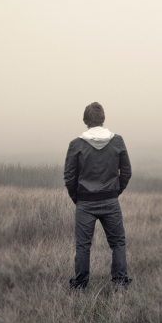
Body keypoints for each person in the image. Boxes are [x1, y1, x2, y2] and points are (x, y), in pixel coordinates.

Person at [63, 102, 132, 291]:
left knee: (83, 245)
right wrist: (115, 192)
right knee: (117, 242)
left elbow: (69, 176)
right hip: (110, 201)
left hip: (85, 202)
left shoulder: (76, 144)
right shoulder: (117, 141)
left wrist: (77, 197)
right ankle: (120, 283)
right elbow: (126, 171)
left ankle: (80, 286)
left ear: (85, 120)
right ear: (103, 119)